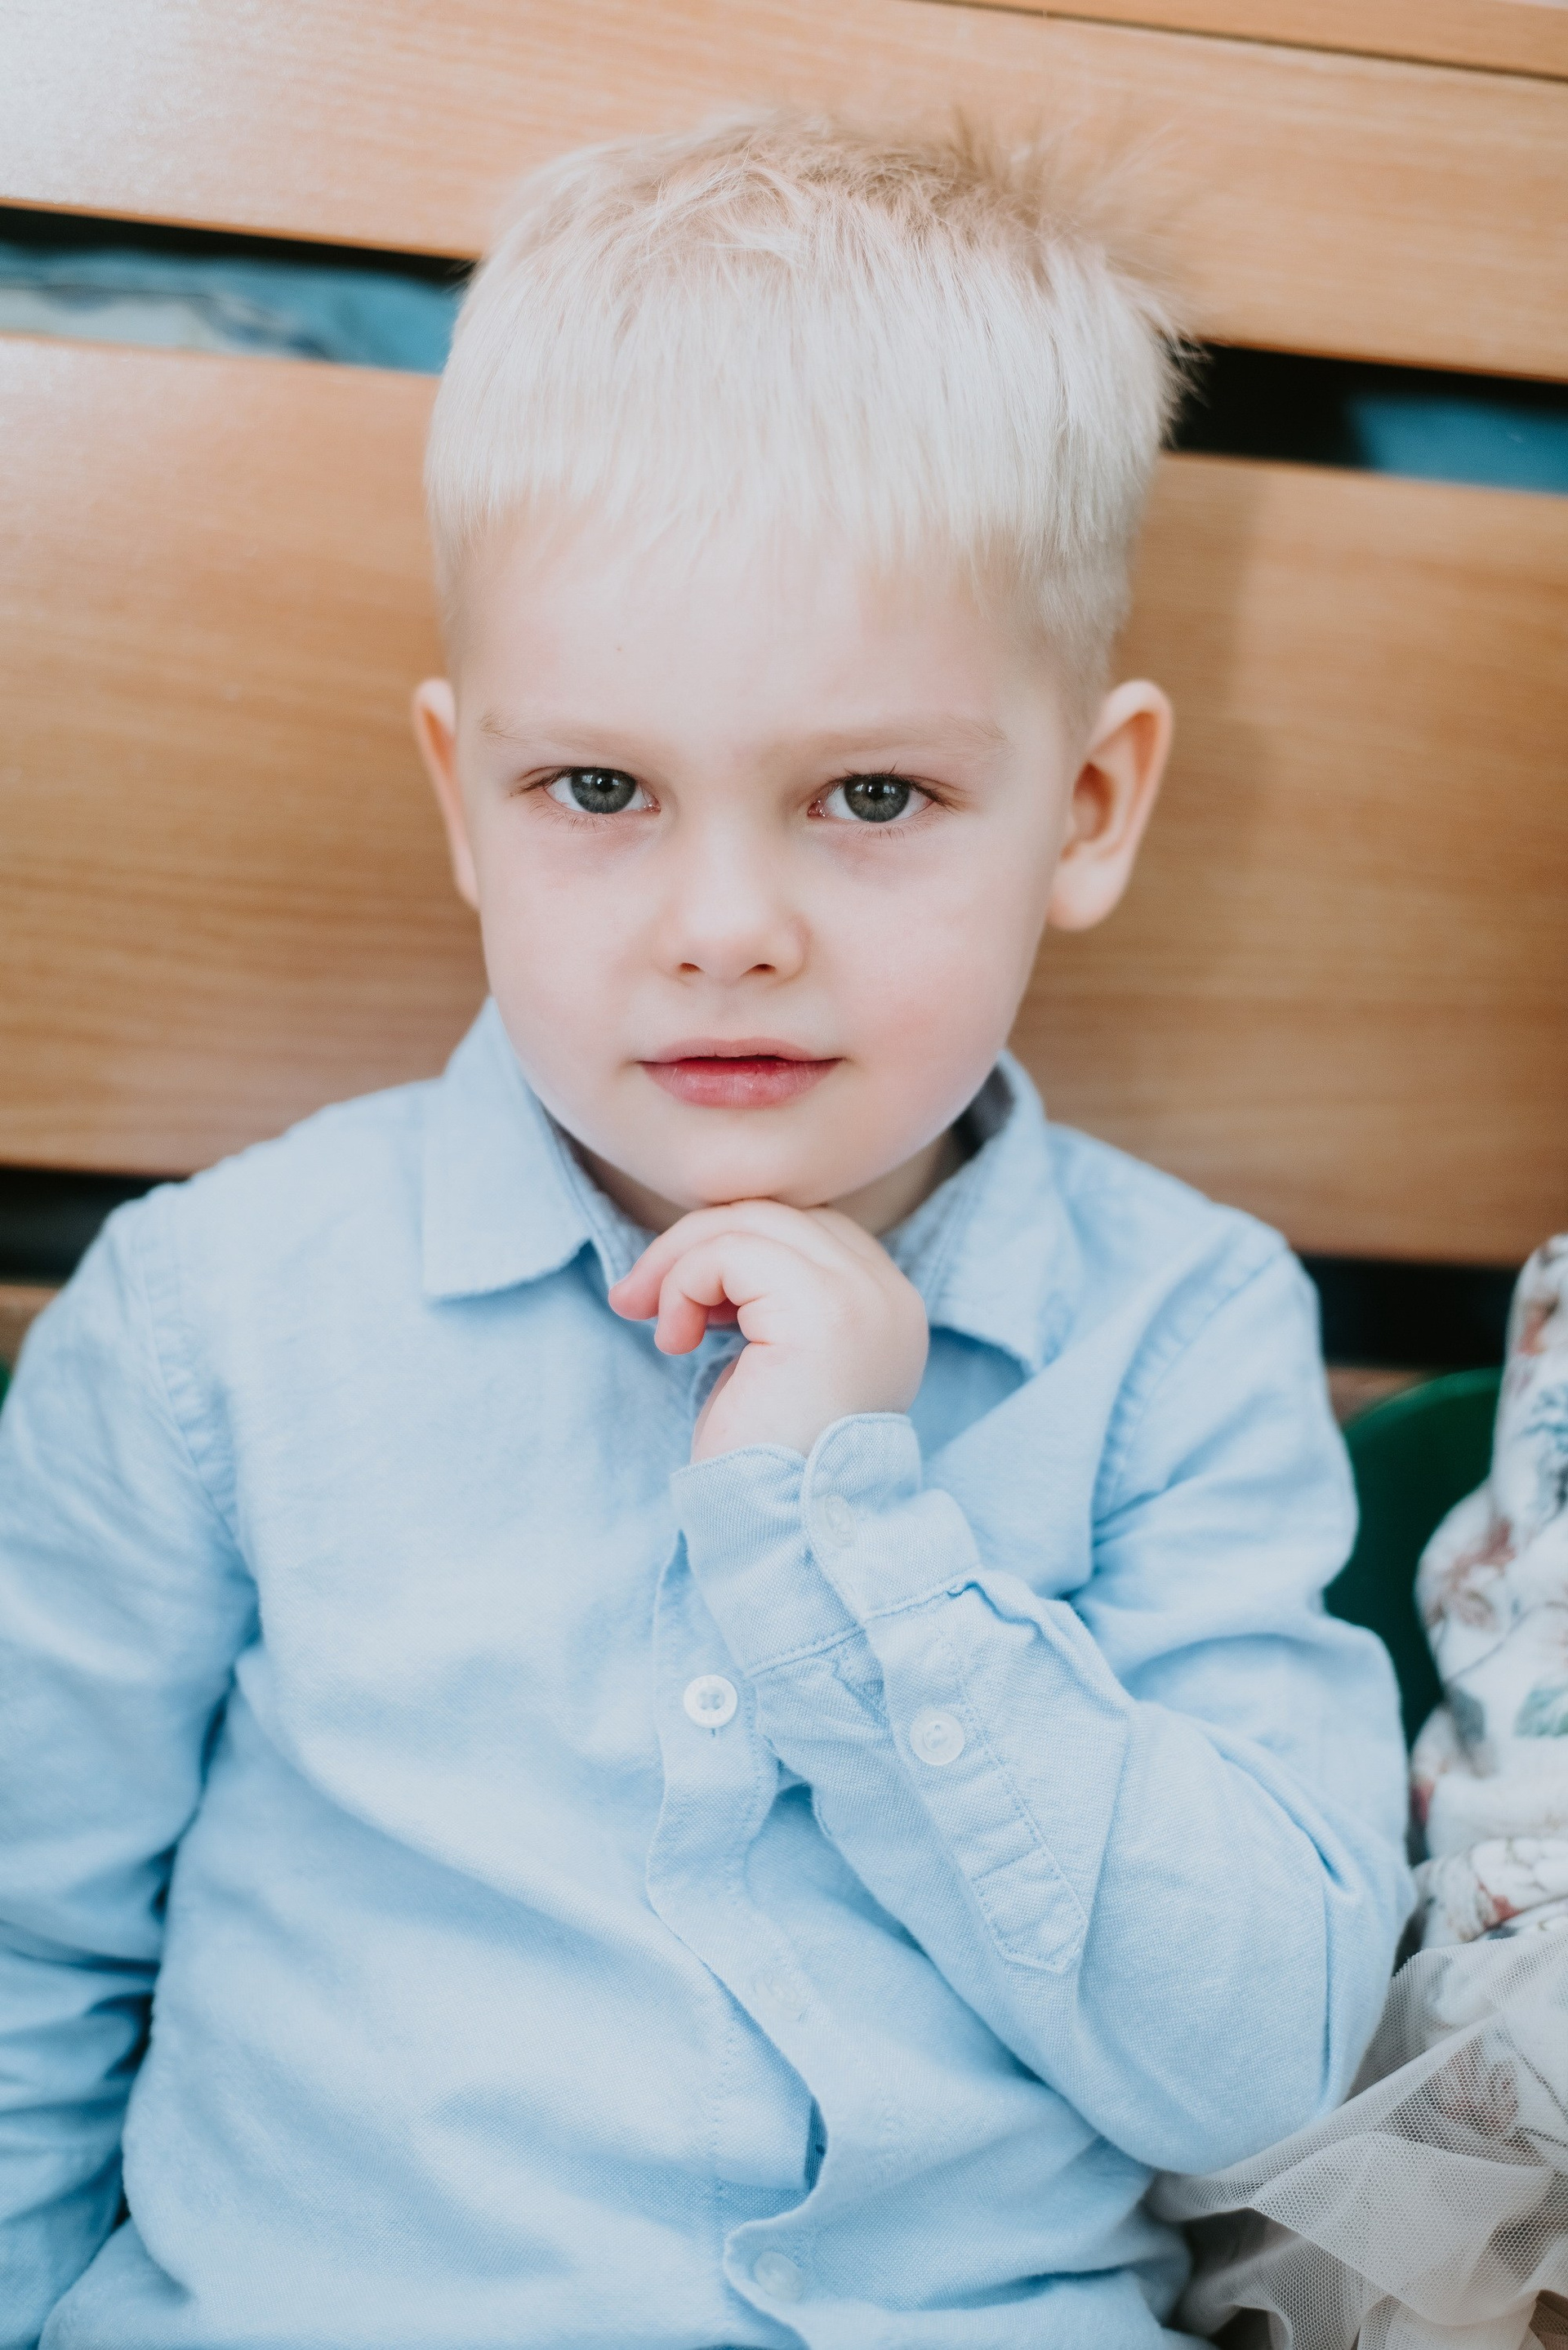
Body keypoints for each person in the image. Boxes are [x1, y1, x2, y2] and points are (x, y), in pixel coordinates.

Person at [0, 114, 1410, 2349]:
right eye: (600, 790)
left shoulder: (1181, 1336)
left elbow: (1258, 2069)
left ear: (1089, 806)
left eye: (873, 795)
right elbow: (21, 1972)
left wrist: (852, 1535)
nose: (727, 927)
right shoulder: (213, 1325)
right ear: (464, 800)